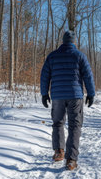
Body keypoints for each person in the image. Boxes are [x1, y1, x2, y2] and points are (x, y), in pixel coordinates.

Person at [40, 30, 95, 170]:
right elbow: (88, 76)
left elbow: (44, 76)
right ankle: (71, 159)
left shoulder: (52, 56)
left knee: (58, 123)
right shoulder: (79, 56)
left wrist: (44, 94)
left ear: (63, 41)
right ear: (74, 41)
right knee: (74, 125)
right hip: (75, 96)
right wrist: (91, 93)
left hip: (57, 95)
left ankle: (59, 152)